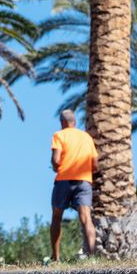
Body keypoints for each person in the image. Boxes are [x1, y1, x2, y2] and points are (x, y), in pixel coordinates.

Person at [50, 109, 99, 261]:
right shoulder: (86, 137)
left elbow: (56, 160)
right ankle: (92, 258)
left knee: (57, 217)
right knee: (86, 219)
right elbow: (95, 164)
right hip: (84, 182)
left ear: (62, 122)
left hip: (64, 180)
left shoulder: (59, 135)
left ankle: (56, 258)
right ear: (74, 122)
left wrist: (55, 167)